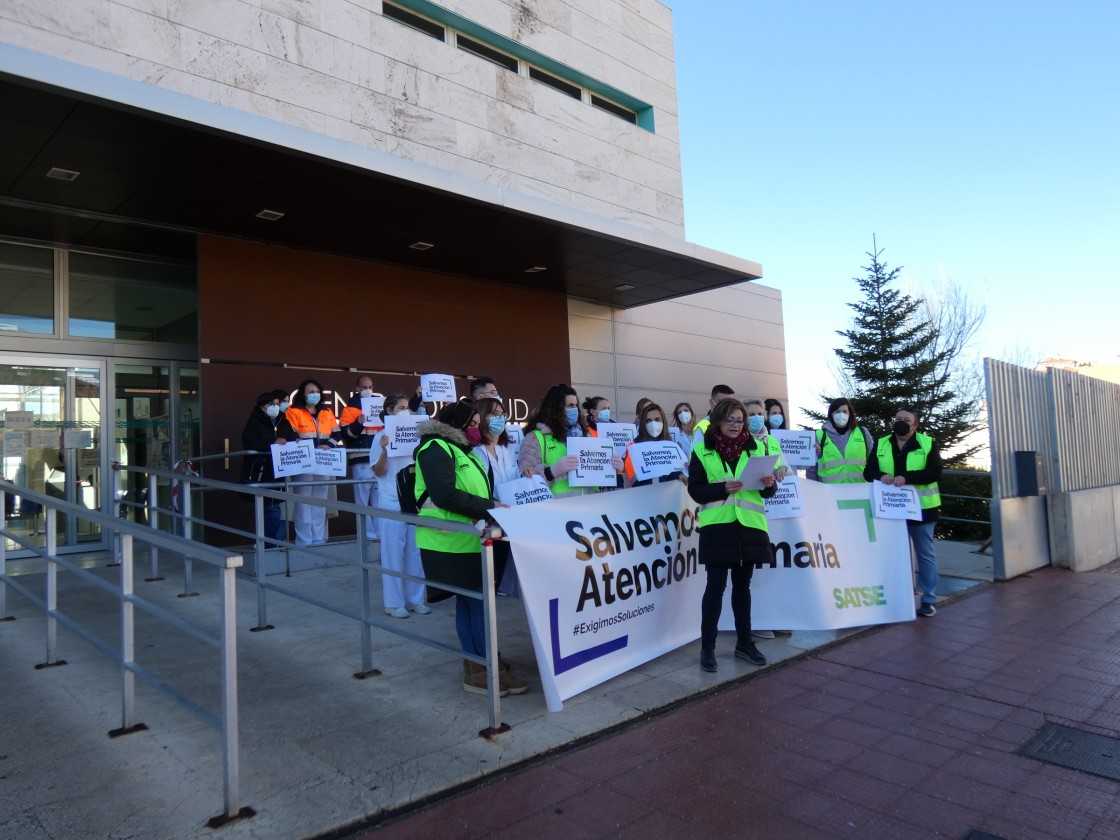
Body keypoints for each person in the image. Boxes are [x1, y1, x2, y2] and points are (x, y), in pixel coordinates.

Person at [415, 400, 527, 696]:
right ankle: (487, 666)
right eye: (473, 425)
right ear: (457, 424)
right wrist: (490, 506)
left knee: (471, 602)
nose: (478, 430)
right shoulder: (435, 448)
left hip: (469, 539)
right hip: (448, 541)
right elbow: (445, 494)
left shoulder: (461, 452)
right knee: (478, 604)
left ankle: (478, 665)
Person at [687, 398, 779, 672]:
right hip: (718, 527)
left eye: (740, 420)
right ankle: (708, 648)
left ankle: (744, 644)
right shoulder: (702, 450)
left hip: (749, 526)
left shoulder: (756, 448)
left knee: (743, 587)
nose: (737, 425)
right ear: (718, 420)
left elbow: (767, 492)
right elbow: (696, 490)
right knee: (715, 588)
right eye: (731, 420)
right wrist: (722, 488)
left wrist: (769, 484)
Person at [864, 405, 943, 618]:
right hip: (891, 508)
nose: (901, 422)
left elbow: (935, 472)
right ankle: (899, 594)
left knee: (925, 554)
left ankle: (928, 598)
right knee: (893, 553)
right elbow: (868, 471)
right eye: (898, 418)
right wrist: (881, 476)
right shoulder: (882, 443)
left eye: (907, 420)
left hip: (922, 509)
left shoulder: (926, 443)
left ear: (915, 424)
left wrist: (907, 478)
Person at [370, 393, 429, 618]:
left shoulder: (416, 434)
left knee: (416, 553)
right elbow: (377, 471)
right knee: (393, 554)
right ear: (390, 411)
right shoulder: (380, 438)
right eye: (402, 407)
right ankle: (393, 603)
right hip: (391, 502)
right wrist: (385, 451)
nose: (407, 411)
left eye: (408, 407)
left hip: (414, 502)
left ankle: (416, 599)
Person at [519, 384, 623, 498]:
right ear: (555, 408)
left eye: (576, 405)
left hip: (592, 507)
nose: (575, 409)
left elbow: (601, 482)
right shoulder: (535, 438)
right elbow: (525, 482)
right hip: (558, 510)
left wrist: (613, 469)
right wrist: (551, 472)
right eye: (570, 405)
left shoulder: (586, 436)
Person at [281, 379, 343, 545]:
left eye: (316, 391)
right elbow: (289, 432)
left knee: (320, 500)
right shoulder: (293, 411)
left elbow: (337, 433)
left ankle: (319, 538)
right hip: (303, 462)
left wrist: (329, 444)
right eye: (310, 391)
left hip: (323, 460)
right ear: (303, 394)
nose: (314, 394)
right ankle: (304, 540)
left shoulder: (327, 411)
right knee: (303, 500)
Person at [474, 396, 519, 596]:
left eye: (502, 414)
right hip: (486, 515)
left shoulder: (506, 450)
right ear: (482, 417)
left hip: (508, 514)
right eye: (494, 414)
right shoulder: (473, 451)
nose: (499, 418)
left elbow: (514, 478)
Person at [339, 374, 384, 544]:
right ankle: (366, 534)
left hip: (378, 459)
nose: (368, 390)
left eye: (370, 387)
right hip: (360, 459)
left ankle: (380, 532)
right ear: (357, 389)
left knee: (379, 499)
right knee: (362, 502)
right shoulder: (349, 409)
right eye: (364, 387)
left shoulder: (379, 406)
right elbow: (346, 435)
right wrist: (358, 423)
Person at [239, 391, 289, 544]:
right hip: (261, 472)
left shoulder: (282, 420)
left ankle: (272, 543)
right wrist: (272, 442)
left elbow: (290, 437)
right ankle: (269, 545)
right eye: (271, 405)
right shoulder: (255, 422)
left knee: (276, 511)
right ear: (262, 407)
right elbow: (250, 442)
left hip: (279, 472)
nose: (275, 407)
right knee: (271, 510)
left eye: (277, 404)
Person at [806, 398, 873, 484]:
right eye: (837, 412)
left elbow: (873, 461)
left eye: (845, 411)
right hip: (830, 492)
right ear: (831, 414)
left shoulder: (863, 433)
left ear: (850, 413)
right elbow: (812, 467)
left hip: (859, 491)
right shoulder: (819, 435)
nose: (841, 415)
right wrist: (813, 488)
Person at [624, 402, 686, 487]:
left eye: (657, 420)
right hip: (645, 496)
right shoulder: (633, 447)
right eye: (648, 421)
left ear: (663, 421)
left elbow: (680, 473)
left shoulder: (671, 445)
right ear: (643, 424)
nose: (653, 424)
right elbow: (634, 481)